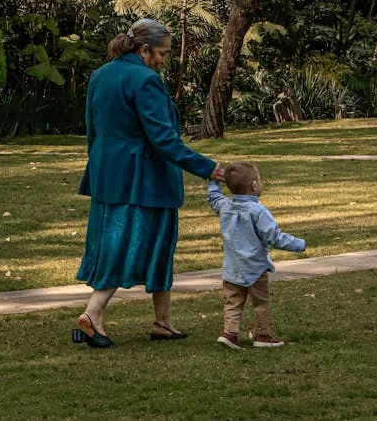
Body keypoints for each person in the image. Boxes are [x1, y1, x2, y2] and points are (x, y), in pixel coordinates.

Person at [72, 18, 225, 348]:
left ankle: (163, 322)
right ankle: (93, 313)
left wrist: (99, 169)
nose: (164, 59)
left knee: (147, 244)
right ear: (144, 50)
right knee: (129, 244)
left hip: (107, 174)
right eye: (163, 53)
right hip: (144, 178)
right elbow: (164, 140)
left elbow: (92, 130)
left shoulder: (100, 75)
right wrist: (208, 168)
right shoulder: (146, 81)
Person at [207, 161, 305, 350]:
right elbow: (273, 237)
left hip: (232, 268)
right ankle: (262, 335)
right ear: (254, 185)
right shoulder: (258, 211)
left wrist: (212, 181)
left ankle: (230, 333)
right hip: (255, 267)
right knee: (261, 302)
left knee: (233, 301)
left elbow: (213, 197)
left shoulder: (225, 206)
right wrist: (298, 244)